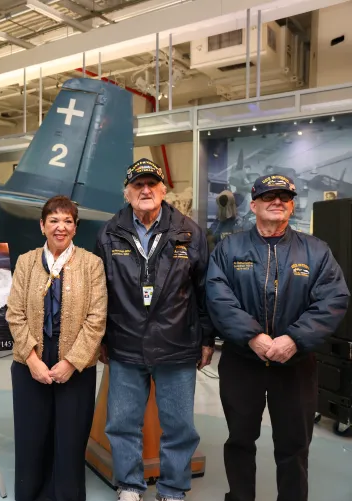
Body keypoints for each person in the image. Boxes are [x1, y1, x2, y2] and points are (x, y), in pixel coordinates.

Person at [206, 174, 349, 501]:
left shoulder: (316, 251)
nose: (278, 201)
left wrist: (295, 339)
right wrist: (253, 336)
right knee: (240, 441)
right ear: (253, 205)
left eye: (285, 197)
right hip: (243, 363)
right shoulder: (229, 248)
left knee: (295, 446)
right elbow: (217, 297)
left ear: (292, 205)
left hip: (296, 365)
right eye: (269, 196)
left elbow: (334, 299)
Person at [93, 158, 214, 501]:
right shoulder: (107, 233)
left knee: (179, 426)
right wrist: (102, 338)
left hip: (176, 344)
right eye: (137, 185)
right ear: (127, 192)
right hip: (125, 344)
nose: (145, 190)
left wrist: (206, 338)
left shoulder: (190, 233)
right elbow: (98, 292)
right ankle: (129, 484)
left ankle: (173, 488)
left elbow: (205, 291)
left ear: (163, 190)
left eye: (151, 184)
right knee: (121, 423)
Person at [5, 195, 107, 501]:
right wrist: (32, 359)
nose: (60, 227)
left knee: (70, 438)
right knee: (32, 435)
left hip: (76, 363)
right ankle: (31, 493)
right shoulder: (26, 261)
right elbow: (15, 313)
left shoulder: (92, 264)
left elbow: (96, 318)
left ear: (76, 227)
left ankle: (66, 495)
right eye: (53, 221)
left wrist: (72, 362)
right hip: (31, 360)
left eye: (67, 221)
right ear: (42, 226)